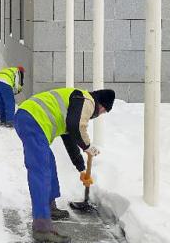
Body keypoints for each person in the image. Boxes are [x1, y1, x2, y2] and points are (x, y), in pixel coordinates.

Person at [13, 88, 115, 243]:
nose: (101, 114)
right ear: (101, 105)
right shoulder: (87, 101)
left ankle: (49, 207)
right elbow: (76, 127)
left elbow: (70, 138)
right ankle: (42, 228)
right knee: (40, 171)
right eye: (104, 111)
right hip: (32, 119)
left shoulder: (76, 104)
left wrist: (81, 167)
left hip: (30, 117)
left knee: (49, 162)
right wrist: (87, 145)